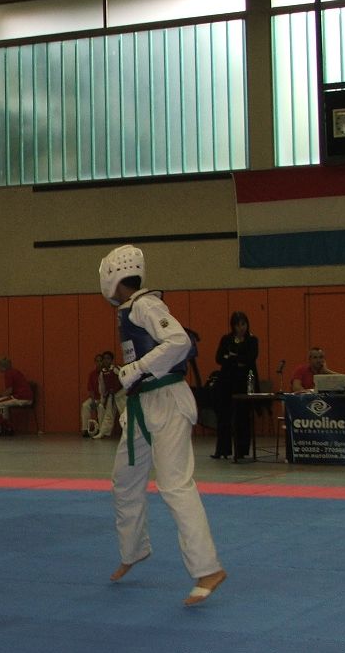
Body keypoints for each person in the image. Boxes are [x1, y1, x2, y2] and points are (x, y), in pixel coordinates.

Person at [99, 245, 226, 606]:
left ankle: (208, 568)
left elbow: (180, 341)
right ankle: (133, 550)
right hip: (142, 403)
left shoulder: (146, 305)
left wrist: (137, 368)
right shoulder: (129, 309)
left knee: (174, 484)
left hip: (167, 399)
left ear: (113, 276)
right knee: (125, 480)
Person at [211, 311, 259, 461]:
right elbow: (219, 358)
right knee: (224, 416)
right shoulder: (226, 339)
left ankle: (242, 450)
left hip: (245, 382)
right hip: (227, 381)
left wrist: (232, 358)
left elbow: (250, 359)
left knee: (242, 416)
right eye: (237, 325)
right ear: (233, 326)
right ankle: (222, 450)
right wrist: (236, 360)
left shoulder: (252, 340)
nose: (241, 328)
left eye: (243, 324)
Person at [0, 357, 34, 436]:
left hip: (20, 397)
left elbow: (9, 391)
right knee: (3, 406)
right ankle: (6, 427)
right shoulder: (15, 371)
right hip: (27, 397)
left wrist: (0, 395)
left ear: (2, 367)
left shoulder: (8, 374)